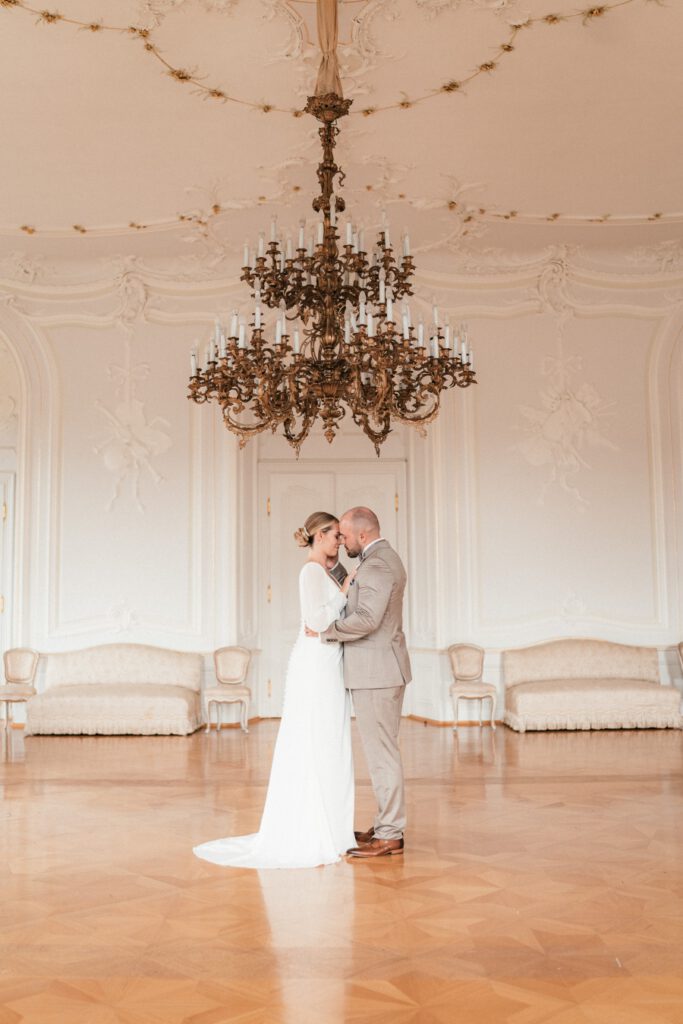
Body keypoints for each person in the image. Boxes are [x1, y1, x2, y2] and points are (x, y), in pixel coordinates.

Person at [193, 511, 356, 869]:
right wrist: (343, 594)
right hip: (314, 665)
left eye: (342, 537)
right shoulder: (311, 571)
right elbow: (316, 622)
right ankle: (315, 829)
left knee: (331, 739)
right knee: (316, 738)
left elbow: (328, 620)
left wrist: (340, 595)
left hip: (329, 661)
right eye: (334, 536)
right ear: (317, 537)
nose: (340, 542)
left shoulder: (330, 572)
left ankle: (335, 828)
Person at [306, 506, 411, 858]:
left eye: (345, 536)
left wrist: (326, 632)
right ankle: (385, 824)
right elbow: (353, 589)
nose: (342, 541)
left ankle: (390, 833)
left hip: (378, 673)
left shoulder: (379, 563)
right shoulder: (375, 559)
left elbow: (367, 618)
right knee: (381, 751)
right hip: (377, 670)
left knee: (382, 754)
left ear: (362, 535)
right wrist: (325, 559)